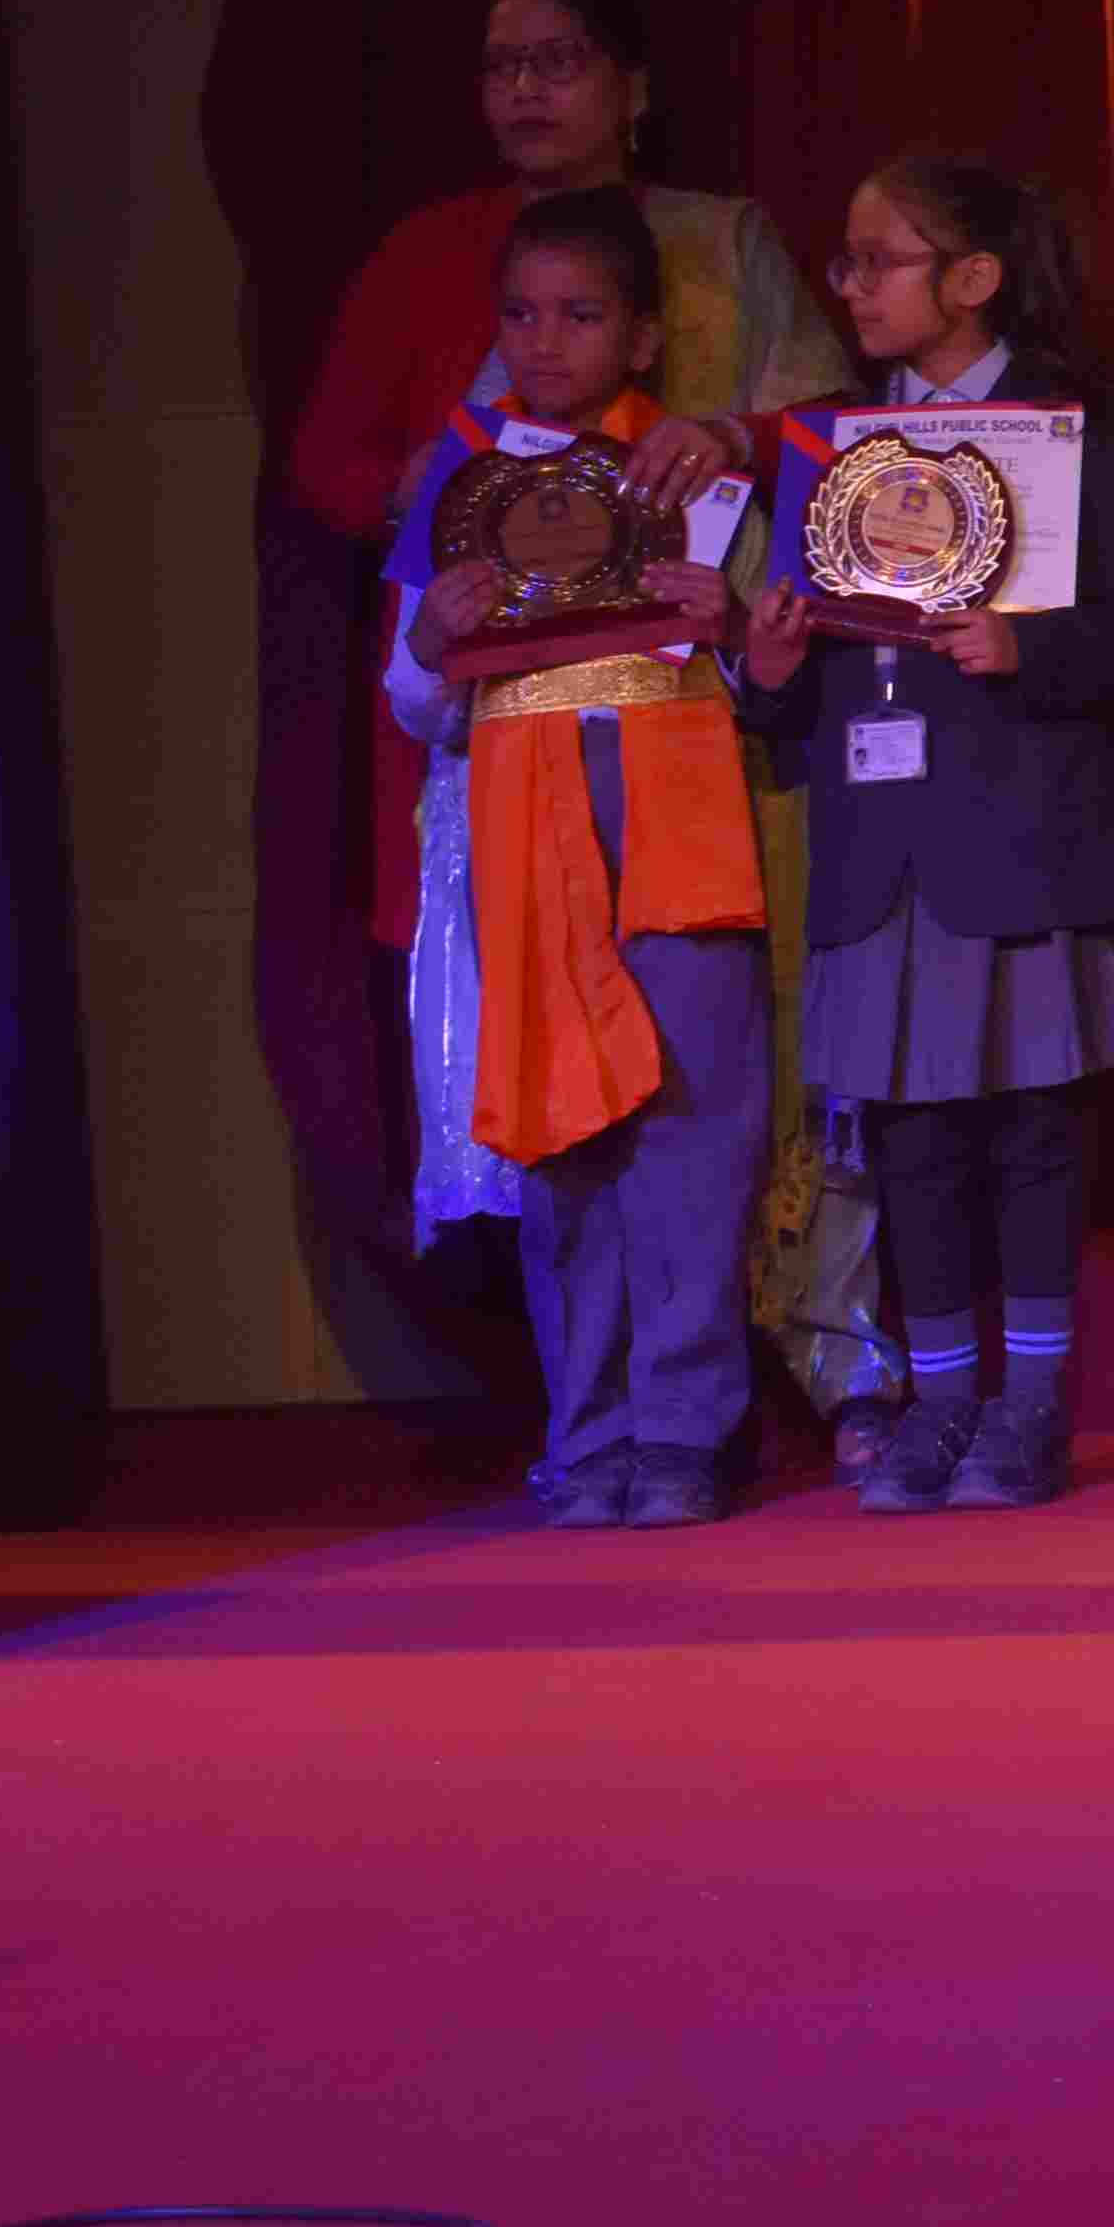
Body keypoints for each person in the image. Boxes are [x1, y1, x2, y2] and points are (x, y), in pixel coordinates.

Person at [281, 0, 884, 1448]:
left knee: (699, 1109)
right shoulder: (464, 431)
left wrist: (731, 594)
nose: (525, 91)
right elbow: (383, 585)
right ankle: (593, 1426)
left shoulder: (711, 320)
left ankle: (707, 1411)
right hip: (515, 801)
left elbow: (814, 479)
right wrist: (448, 599)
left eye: (558, 60)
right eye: (500, 66)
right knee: (559, 1119)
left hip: (694, 797)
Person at [733, 151, 1114, 1514]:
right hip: (879, 844)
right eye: (846, 261)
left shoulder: (1068, 432)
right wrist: (767, 669)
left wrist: (1029, 649)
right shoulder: (829, 448)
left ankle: (1030, 1409)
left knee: (1032, 1130)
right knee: (910, 1138)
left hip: (1020, 833)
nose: (853, 287)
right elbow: (790, 690)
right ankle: (938, 1403)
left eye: (882, 261)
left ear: (973, 278)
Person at [378, 190, 769, 1526]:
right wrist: (436, 638)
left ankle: (687, 1433)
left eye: (582, 315)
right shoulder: (461, 482)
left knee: (693, 1144)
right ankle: (590, 1434)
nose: (545, 341)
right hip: (530, 844)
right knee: (565, 1141)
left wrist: (728, 628)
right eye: (522, 315)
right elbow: (415, 702)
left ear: (643, 336)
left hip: (678, 835)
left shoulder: (691, 473)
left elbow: (773, 677)